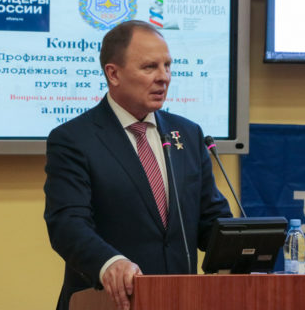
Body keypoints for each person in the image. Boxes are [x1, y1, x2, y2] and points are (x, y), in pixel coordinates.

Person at [43, 20, 232, 310]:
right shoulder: (74, 139)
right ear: (113, 73)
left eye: (167, 65)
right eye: (149, 67)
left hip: (180, 300)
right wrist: (110, 263)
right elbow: (67, 224)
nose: (164, 77)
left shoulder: (188, 134)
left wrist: (244, 247)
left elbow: (210, 219)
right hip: (108, 301)